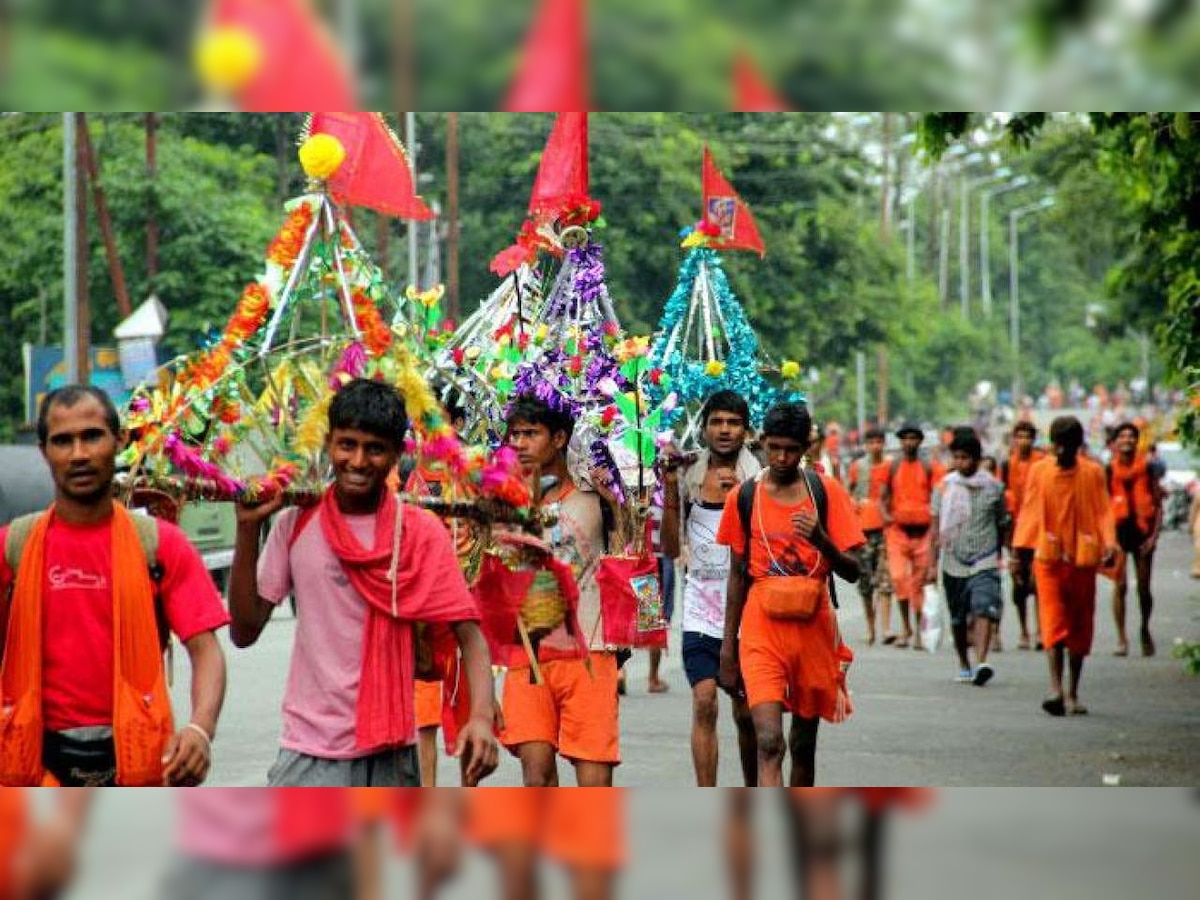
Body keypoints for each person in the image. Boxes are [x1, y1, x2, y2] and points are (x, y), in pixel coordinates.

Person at [229, 378, 498, 787]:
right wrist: (247, 534)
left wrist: (479, 717)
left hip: (392, 755)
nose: (357, 461)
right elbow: (244, 631)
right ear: (329, 444)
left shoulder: (420, 532)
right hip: (307, 753)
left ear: (395, 454)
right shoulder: (296, 523)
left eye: (374, 448)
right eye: (347, 444)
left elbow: (470, 636)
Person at [0, 385, 228, 787]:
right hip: (35, 765)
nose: (79, 454)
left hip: (139, 764)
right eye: (63, 441)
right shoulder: (13, 547)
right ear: (43, 451)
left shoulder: (159, 545)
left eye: (92, 436)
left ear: (119, 440)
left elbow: (205, 650)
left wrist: (199, 729)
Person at [717, 402, 863, 787]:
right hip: (761, 630)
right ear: (762, 441)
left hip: (813, 630)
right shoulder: (744, 497)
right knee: (769, 742)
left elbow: (854, 571)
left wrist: (822, 541)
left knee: (802, 744)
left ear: (807, 447)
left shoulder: (825, 492)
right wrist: (728, 648)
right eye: (774, 447)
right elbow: (736, 575)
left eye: (792, 449)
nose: (782, 457)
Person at [501, 394, 620, 787]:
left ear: (558, 439)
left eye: (530, 434)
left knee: (594, 782)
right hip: (527, 654)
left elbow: (633, 557)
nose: (519, 443)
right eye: (514, 434)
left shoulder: (594, 499)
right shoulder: (502, 502)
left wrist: (622, 505)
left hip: (591, 651)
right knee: (535, 778)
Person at [660, 390, 762, 787]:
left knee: (747, 712)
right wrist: (669, 488)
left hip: (748, 611)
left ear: (746, 430)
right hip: (700, 612)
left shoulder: (759, 478)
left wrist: (743, 496)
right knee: (704, 703)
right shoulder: (687, 475)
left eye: (733, 423)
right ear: (703, 428)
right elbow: (670, 548)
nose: (724, 430)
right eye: (717, 422)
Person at [1013, 416, 1117, 717]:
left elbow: (1103, 512)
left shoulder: (1093, 473)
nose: (1061, 452)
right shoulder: (1040, 471)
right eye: (1056, 446)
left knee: (1080, 626)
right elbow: (1030, 511)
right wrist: (1019, 555)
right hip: (1048, 559)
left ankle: (1073, 691)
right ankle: (1056, 689)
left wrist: (1109, 544)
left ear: (1077, 446)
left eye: (1067, 447)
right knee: (1052, 622)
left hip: (1083, 560)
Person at [928, 429, 1008, 685]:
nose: (961, 463)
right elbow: (935, 527)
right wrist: (931, 564)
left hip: (984, 558)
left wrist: (1008, 553)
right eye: (957, 457)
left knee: (983, 606)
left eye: (966, 458)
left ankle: (982, 661)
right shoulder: (943, 488)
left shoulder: (994, 488)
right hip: (953, 560)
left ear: (977, 459)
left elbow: (1003, 521)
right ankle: (964, 662)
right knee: (958, 618)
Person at [881, 423, 945, 650]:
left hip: (924, 532)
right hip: (898, 531)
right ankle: (906, 627)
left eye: (913, 438)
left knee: (919, 584)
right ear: (900, 441)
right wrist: (886, 515)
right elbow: (884, 495)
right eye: (905, 438)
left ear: (920, 441)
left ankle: (918, 632)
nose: (909, 442)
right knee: (899, 579)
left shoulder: (930, 467)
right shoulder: (892, 466)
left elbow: (938, 497)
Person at [1106, 422, 1162, 657]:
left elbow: (1158, 505)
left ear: (1137, 441)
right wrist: (1108, 540)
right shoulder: (1108, 470)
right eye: (1122, 436)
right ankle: (1121, 638)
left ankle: (1144, 629)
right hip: (1118, 533)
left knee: (1144, 588)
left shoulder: (1148, 468)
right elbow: (1102, 508)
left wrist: (1153, 537)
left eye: (1131, 436)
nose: (1127, 440)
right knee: (1120, 587)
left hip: (1142, 532)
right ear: (1115, 442)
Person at [846, 428, 894, 646]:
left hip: (885, 528)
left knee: (885, 580)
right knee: (865, 582)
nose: (876, 446)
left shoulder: (891, 466)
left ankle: (886, 628)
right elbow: (849, 492)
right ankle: (870, 628)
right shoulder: (858, 467)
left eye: (879, 441)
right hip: (862, 529)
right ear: (866, 445)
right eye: (872, 442)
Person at [1002, 422, 1047, 650]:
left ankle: (1041, 630)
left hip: (1038, 529)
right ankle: (1023, 631)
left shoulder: (1042, 462)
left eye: (1027, 437)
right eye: (1019, 437)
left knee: (1038, 580)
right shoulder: (1007, 464)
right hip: (1015, 530)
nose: (1023, 441)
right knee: (1018, 582)